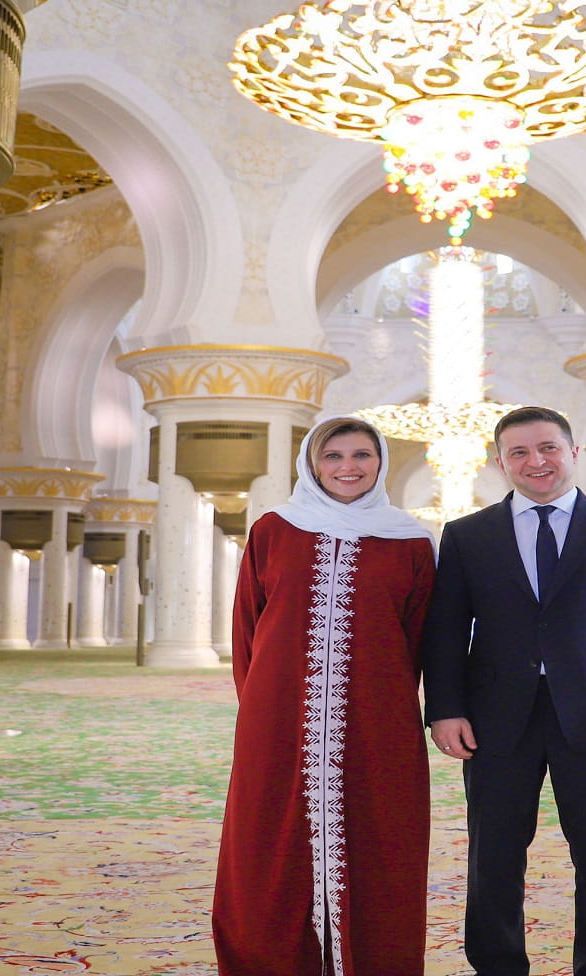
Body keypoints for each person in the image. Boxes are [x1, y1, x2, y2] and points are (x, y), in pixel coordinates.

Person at [422, 405, 586, 976]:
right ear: (500, 463)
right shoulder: (467, 535)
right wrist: (445, 710)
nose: (535, 461)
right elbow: (444, 630)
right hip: (495, 719)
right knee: (494, 855)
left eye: (547, 448)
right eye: (519, 452)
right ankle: (497, 965)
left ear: (572, 453)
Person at [212, 416, 438, 976]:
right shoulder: (274, 529)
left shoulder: (409, 540)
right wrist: (262, 709)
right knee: (266, 838)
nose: (348, 467)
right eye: (333, 456)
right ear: (312, 463)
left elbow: (423, 637)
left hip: (377, 718)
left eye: (362, 455)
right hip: (278, 716)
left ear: (381, 462)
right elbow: (247, 627)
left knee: (380, 840)